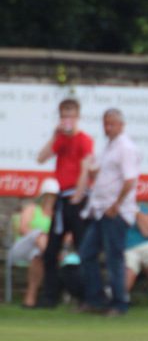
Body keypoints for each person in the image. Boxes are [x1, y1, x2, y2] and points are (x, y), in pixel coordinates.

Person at [78, 109, 140, 315]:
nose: (108, 128)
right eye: (105, 124)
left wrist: (116, 205)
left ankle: (119, 303)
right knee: (87, 253)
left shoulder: (125, 147)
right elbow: (105, 176)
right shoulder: (108, 147)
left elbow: (130, 179)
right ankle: (96, 299)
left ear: (121, 125)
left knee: (114, 258)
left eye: (112, 124)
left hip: (115, 211)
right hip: (100, 209)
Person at [35, 98, 93, 307]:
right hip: (62, 200)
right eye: (63, 115)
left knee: (83, 249)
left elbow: (86, 168)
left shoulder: (84, 139)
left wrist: (78, 195)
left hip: (76, 200)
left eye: (70, 115)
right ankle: (50, 297)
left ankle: (87, 297)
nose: (66, 119)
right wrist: (54, 135)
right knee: (51, 251)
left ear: (77, 116)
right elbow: (41, 158)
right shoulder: (60, 140)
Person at [8, 178, 59, 307]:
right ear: (42, 195)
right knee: (38, 234)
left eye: (53, 196)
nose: (50, 199)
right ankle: (48, 255)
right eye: (48, 195)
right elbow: (23, 228)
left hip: (39, 250)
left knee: (37, 256)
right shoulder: (32, 208)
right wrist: (41, 237)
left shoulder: (57, 215)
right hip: (22, 247)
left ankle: (30, 297)